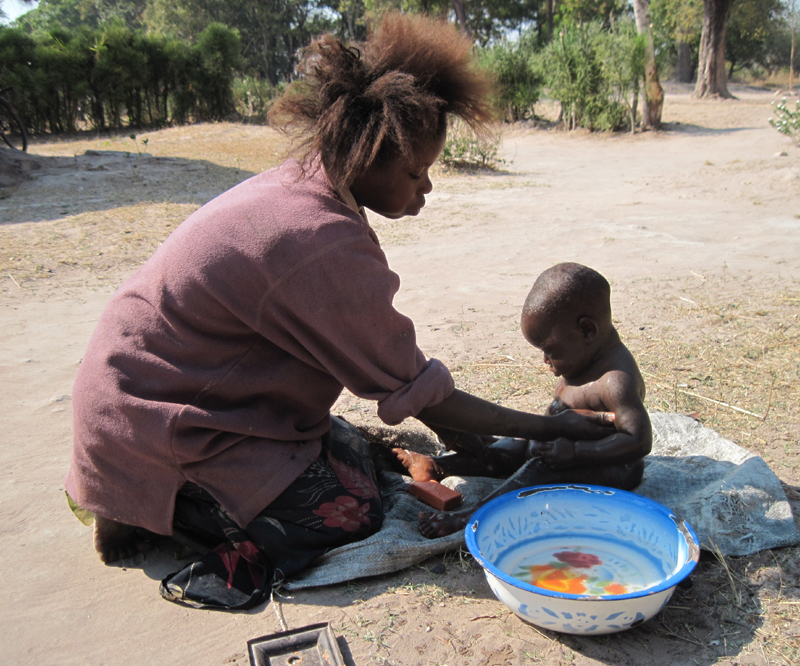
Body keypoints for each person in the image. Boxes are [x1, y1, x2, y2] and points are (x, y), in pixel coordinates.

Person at [65, 15, 614, 610]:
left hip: (157, 398)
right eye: (413, 172)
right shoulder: (321, 242)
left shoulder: (306, 188)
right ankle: (161, 512)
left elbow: (404, 383)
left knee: (366, 453)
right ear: (369, 151)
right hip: (155, 422)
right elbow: (419, 391)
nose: (424, 190)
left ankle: (142, 492)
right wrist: (553, 426)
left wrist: (471, 443)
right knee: (353, 512)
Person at [395, 262, 652, 538]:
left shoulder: (614, 381)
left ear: (586, 330)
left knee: (535, 472)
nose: (545, 360)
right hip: (560, 450)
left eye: (550, 351)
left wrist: (577, 453)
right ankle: (441, 465)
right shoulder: (583, 356)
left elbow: (638, 439)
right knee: (509, 447)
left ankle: (471, 517)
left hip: (606, 467)